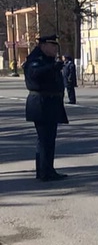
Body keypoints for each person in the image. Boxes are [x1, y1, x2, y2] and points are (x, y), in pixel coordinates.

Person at [24, 34, 69, 182]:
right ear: (43, 46)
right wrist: (52, 67)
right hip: (41, 103)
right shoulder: (35, 59)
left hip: (50, 103)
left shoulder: (47, 59)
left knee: (49, 139)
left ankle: (47, 169)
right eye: (53, 46)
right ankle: (44, 172)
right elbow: (35, 74)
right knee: (44, 139)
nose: (55, 49)